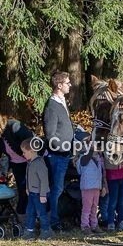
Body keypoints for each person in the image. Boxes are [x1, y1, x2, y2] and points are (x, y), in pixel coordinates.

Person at [43, 71, 75, 229]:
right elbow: (50, 134)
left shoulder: (62, 101)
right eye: (68, 83)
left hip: (66, 153)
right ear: (59, 85)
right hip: (57, 156)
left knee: (59, 188)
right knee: (56, 189)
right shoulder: (52, 106)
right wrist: (63, 148)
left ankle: (55, 218)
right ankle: (53, 221)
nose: (70, 85)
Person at [2, 118, 33, 221]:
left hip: (31, 162)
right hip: (16, 165)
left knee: (33, 190)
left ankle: (38, 218)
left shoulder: (14, 126)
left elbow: (31, 141)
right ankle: (22, 218)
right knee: (23, 192)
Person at [22, 138, 51, 239]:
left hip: (39, 194)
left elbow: (44, 180)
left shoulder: (39, 163)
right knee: (30, 212)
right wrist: (27, 188)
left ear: (31, 151)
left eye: (24, 152)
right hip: (32, 193)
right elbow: (27, 177)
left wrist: (43, 194)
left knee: (41, 213)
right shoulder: (30, 163)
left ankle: (46, 231)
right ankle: (29, 231)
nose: (23, 154)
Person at [76, 146, 106, 233]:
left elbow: (101, 174)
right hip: (87, 187)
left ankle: (94, 225)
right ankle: (85, 225)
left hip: (96, 186)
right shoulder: (83, 158)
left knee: (94, 207)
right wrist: (92, 149)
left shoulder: (99, 159)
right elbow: (82, 166)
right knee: (87, 208)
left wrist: (103, 186)